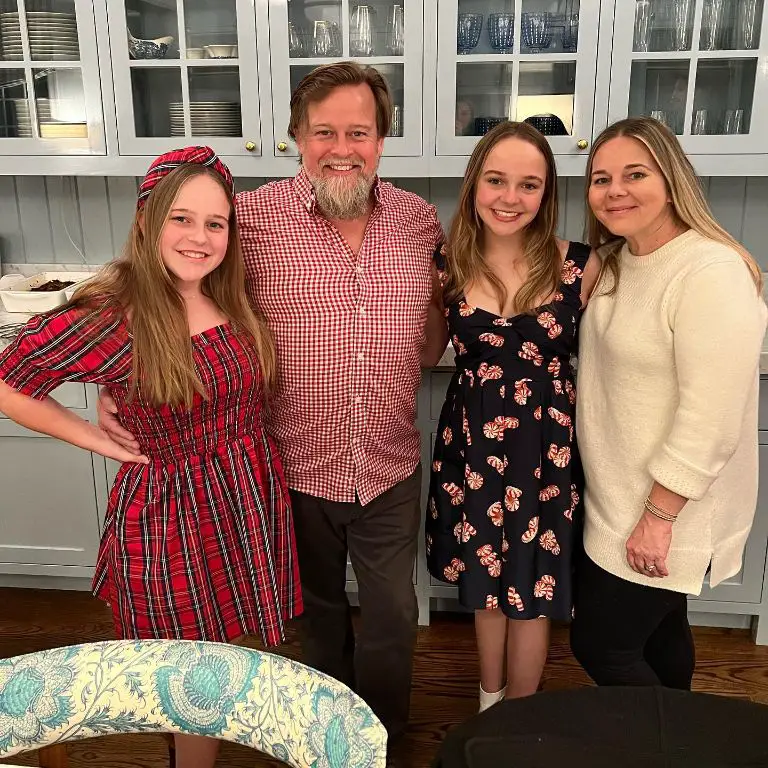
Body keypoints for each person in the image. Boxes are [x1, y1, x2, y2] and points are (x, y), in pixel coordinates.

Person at [98, 62, 445, 756]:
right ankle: (321, 735)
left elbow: (433, 318)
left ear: (382, 140)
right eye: (323, 132)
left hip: (388, 461)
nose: (341, 146)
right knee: (314, 615)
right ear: (295, 137)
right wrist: (117, 376)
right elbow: (170, 284)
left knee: (391, 615)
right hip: (287, 461)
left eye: (359, 131)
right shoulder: (251, 219)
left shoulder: (417, 219)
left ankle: (376, 743)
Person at [0, 147, 302, 768]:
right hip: (174, 519)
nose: (199, 237)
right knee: (190, 670)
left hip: (243, 496)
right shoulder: (117, 314)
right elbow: (10, 380)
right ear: (146, 222)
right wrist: (98, 437)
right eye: (181, 219)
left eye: (215, 223)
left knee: (213, 661)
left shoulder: (231, 296)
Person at [570, 116, 767, 690]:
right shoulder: (617, 263)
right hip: (616, 496)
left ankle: (661, 745)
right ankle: (674, 732)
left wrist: (658, 519)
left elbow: (710, 420)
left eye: (636, 174)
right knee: (659, 637)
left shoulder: (710, 271)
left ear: (673, 179)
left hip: (665, 511)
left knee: (601, 645)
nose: (615, 190)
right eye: (601, 178)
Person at [426, 121, 600, 712]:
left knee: (534, 584)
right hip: (473, 449)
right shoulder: (445, 267)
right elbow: (423, 352)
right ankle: (487, 701)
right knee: (485, 586)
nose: (510, 197)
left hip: (545, 451)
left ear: (547, 193)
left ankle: (521, 716)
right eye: (496, 180)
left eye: (529, 185)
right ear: (475, 184)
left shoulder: (583, 266)